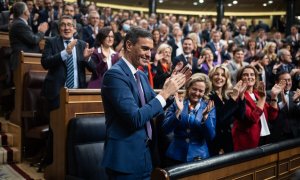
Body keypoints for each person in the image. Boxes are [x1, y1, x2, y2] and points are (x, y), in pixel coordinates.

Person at [101, 26, 191, 179]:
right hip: (124, 159)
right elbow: (135, 118)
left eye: (151, 49)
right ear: (129, 45)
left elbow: (154, 106)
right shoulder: (114, 75)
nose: (149, 54)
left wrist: (170, 93)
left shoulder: (141, 75)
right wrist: (165, 93)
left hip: (146, 155)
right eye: (145, 48)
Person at [40, 15, 95, 165]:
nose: (66, 28)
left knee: (76, 131)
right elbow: (45, 63)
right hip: (57, 93)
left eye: (69, 25)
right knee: (56, 131)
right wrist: (65, 53)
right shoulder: (52, 42)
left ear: (75, 29)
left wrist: (87, 59)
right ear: (59, 28)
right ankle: (51, 163)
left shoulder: (82, 44)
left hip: (77, 94)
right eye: (63, 25)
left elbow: (95, 70)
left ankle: (72, 164)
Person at [161, 73, 216, 166]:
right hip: (175, 155)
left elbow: (211, 136)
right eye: (194, 89)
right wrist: (178, 112)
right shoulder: (177, 103)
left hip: (199, 157)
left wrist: (205, 118)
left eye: (200, 91)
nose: (197, 93)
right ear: (188, 88)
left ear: (205, 92)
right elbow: (165, 129)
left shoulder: (209, 107)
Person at [232, 65, 282, 151]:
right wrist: (262, 99)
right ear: (240, 78)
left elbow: (272, 116)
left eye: (252, 74)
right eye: (245, 75)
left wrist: (274, 96)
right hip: (247, 141)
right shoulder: (238, 96)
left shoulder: (257, 94)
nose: (249, 77)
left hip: (264, 137)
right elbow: (252, 118)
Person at [208, 65, 246, 156]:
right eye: (216, 74)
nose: (219, 77)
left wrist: (241, 96)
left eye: (223, 75)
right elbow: (220, 119)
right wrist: (233, 97)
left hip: (228, 140)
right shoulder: (208, 96)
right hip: (215, 142)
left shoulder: (226, 97)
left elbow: (241, 116)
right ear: (211, 77)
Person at [9, 2, 48, 72]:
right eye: (27, 9)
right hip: (22, 60)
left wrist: (39, 31)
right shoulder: (19, 24)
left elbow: (31, 37)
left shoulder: (20, 23)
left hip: (26, 59)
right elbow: (34, 40)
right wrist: (42, 31)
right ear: (25, 12)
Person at [269, 71, 300, 142]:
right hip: (278, 136)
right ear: (276, 82)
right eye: (284, 81)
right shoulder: (270, 94)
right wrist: (282, 103)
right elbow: (271, 115)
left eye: (289, 80)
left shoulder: (296, 94)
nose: (288, 83)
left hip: (296, 135)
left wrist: (298, 102)